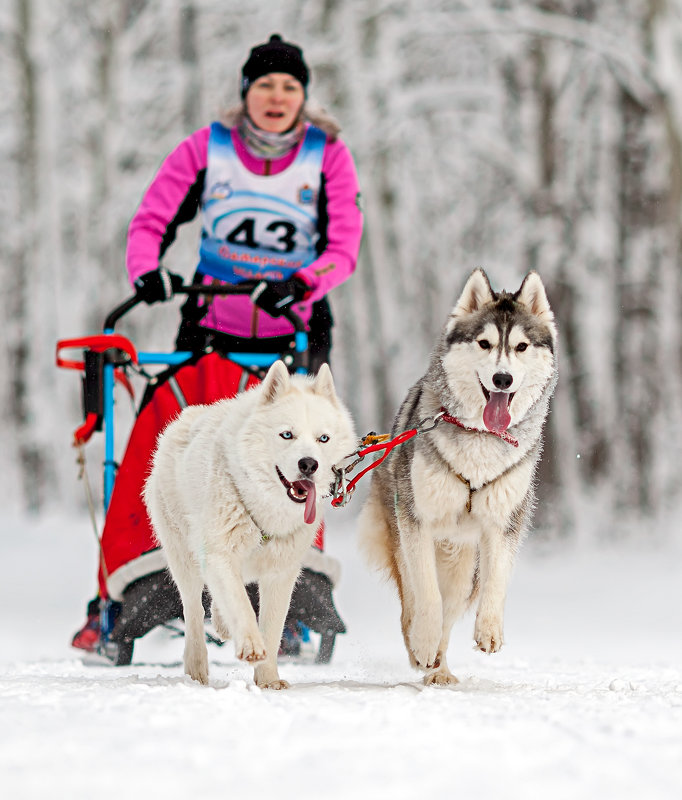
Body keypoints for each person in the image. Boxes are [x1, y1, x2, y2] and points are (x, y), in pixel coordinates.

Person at [72, 33, 363, 664]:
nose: (277, 96)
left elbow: (343, 247)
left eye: (290, 86)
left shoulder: (327, 155)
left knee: (304, 454)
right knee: (169, 441)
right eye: (266, 85)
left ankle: (285, 597)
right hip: (210, 328)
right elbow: (153, 219)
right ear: (246, 94)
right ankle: (118, 589)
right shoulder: (207, 148)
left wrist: (303, 282)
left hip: (295, 325)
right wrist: (145, 270)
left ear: (303, 97)